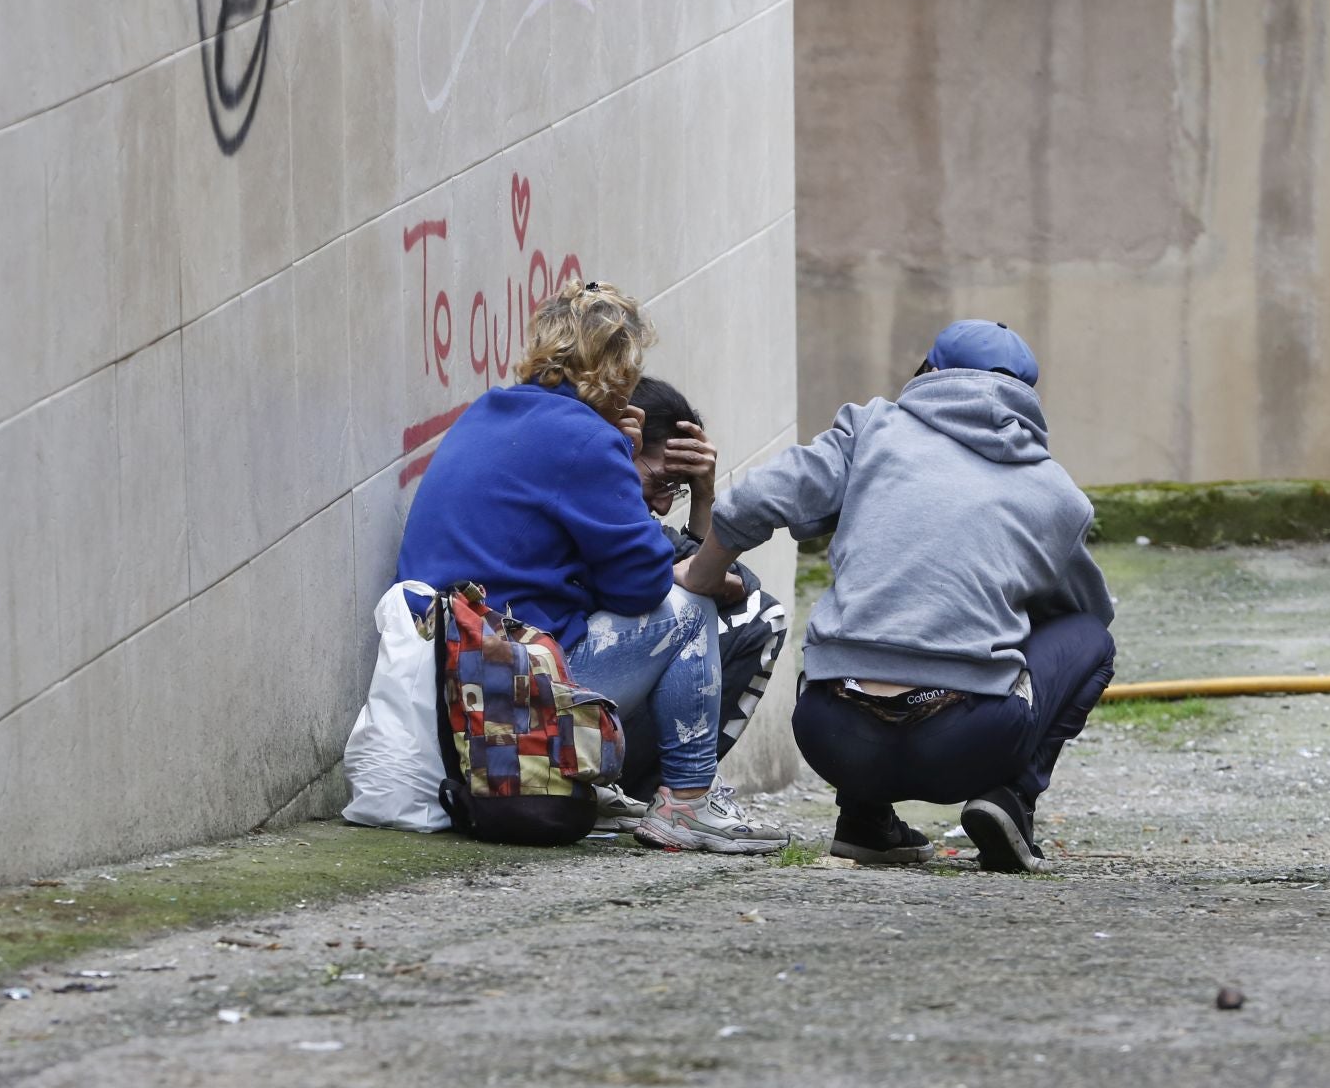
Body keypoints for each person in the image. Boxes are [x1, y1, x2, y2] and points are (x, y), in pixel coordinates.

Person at [678, 320, 1115, 871]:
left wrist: (700, 577)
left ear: (928, 373)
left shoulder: (872, 429)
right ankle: (1010, 799)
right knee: (1091, 639)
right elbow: (1081, 616)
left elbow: (760, 496)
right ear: (1026, 399)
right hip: (969, 742)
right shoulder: (1056, 492)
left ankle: (863, 820)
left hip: (831, 732)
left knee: (876, 626)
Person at [395, 280, 787, 854]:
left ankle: (618, 789)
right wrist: (624, 469)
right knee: (686, 607)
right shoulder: (586, 440)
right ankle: (688, 800)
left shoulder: (488, 411)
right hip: (509, 690)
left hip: (448, 674)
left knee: (674, 599)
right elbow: (644, 586)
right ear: (620, 369)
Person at [598, 376, 789, 805]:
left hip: (558, 704)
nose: (665, 505)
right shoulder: (593, 506)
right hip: (549, 712)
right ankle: (679, 797)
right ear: (621, 446)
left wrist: (703, 498)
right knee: (760, 619)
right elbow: (717, 589)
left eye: (677, 490)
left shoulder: (628, 517)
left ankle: (662, 794)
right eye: (661, 482)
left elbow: (726, 580)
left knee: (723, 608)